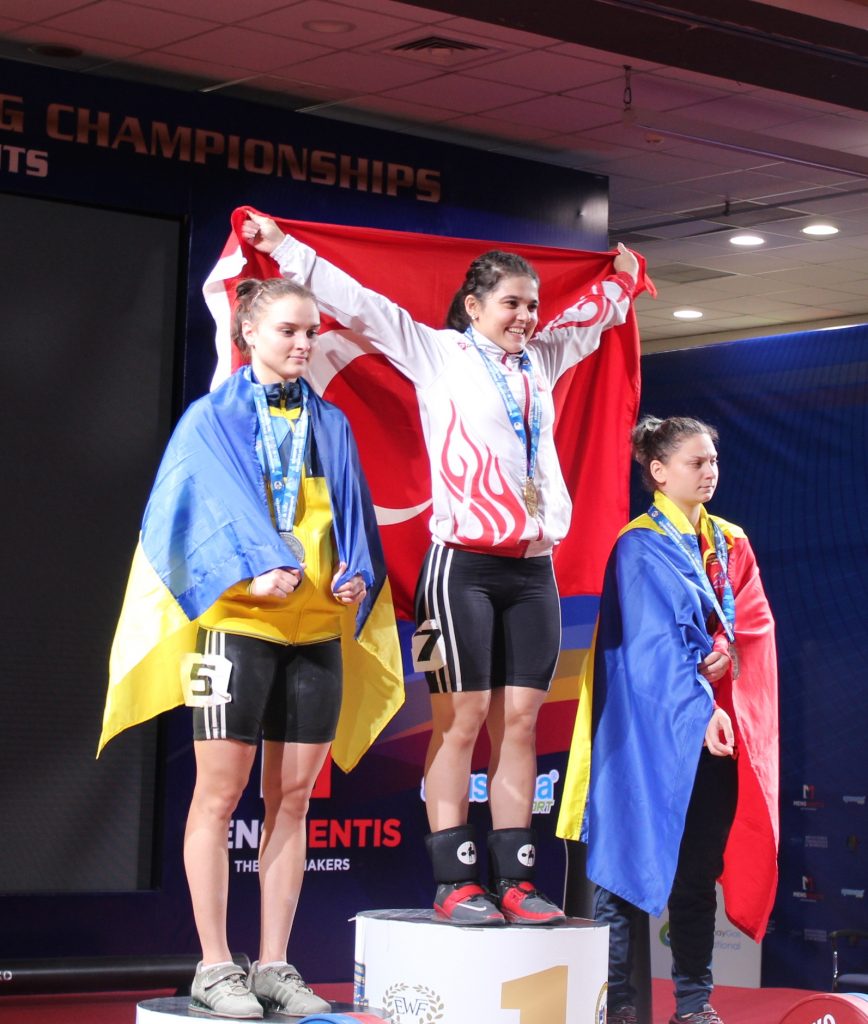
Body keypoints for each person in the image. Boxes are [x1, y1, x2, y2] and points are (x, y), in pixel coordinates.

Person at [240, 210, 640, 927]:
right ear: (474, 306)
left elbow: (593, 319)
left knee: (521, 723)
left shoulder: (542, 359)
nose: (526, 317)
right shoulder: (435, 352)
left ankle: (516, 881)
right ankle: (454, 881)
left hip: (534, 572)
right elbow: (357, 300)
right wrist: (284, 246)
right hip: (460, 571)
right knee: (463, 720)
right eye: (511, 303)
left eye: (532, 305)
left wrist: (625, 283)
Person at [100, 276, 403, 1018]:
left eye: (311, 332)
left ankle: (273, 965)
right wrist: (245, 573)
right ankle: (213, 966)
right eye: (288, 331)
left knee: (292, 802)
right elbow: (181, 523)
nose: (303, 344)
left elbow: (353, 519)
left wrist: (356, 575)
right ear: (249, 335)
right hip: (237, 631)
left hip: (316, 633)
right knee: (219, 796)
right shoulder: (210, 420)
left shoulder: (330, 422)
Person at [557, 416, 779, 1024]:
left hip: (714, 735)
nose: (710, 472)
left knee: (697, 873)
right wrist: (700, 707)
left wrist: (728, 649)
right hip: (644, 735)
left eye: (713, 461)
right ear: (658, 472)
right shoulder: (638, 544)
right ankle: (619, 1007)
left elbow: (753, 623)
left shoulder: (730, 541)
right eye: (695, 463)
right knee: (623, 870)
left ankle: (694, 1004)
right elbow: (651, 649)